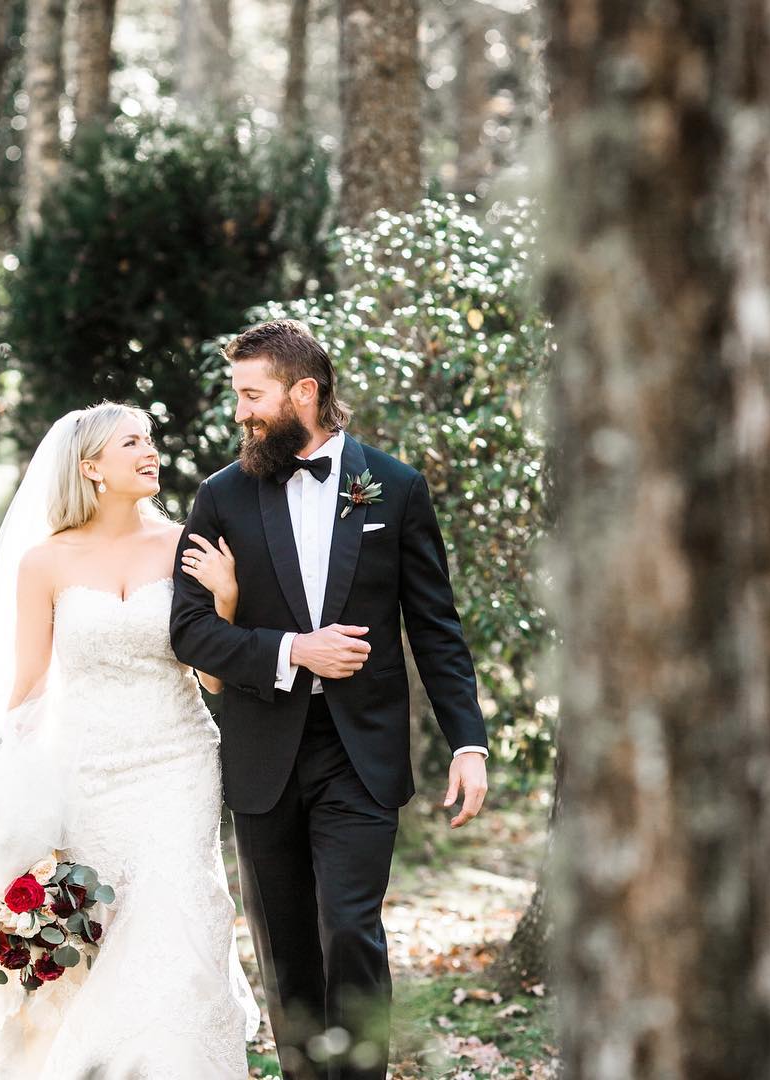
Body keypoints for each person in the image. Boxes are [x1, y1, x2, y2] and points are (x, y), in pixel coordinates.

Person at [170, 318, 490, 1080]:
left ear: (304, 392)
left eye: (253, 395)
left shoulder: (397, 488)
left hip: (361, 752)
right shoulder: (221, 497)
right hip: (263, 753)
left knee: (349, 927)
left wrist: (468, 742)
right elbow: (187, 632)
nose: (240, 411)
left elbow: (436, 629)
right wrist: (290, 650)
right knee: (285, 946)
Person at [0, 401, 258, 1080]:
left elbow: (210, 677)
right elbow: (28, 689)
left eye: (150, 438)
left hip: (178, 763)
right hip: (84, 772)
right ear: (92, 468)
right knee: (103, 938)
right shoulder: (45, 562)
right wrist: (1, 785)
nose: (150, 451)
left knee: (181, 924)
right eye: (132, 443)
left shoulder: (186, 545)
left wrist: (227, 602)